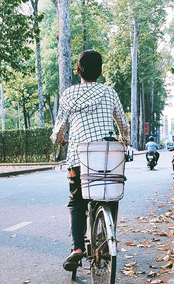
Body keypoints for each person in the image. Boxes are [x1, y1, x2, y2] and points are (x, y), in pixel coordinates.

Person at [51, 50, 130, 272]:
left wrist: (59, 140)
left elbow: (59, 129)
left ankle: (77, 248)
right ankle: (106, 243)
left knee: (77, 202)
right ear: (101, 71)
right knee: (109, 195)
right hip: (106, 157)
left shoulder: (68, 95)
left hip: (79, 158)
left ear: (78, 71)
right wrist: (125, 141)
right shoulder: (109, 93)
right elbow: (123, 125)